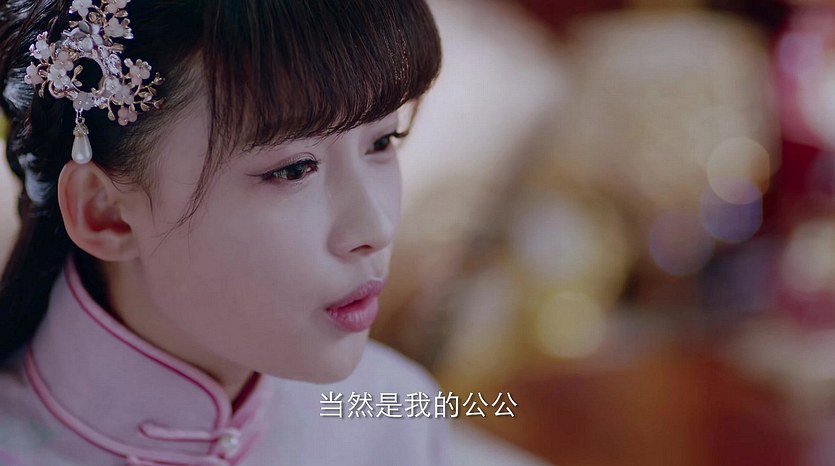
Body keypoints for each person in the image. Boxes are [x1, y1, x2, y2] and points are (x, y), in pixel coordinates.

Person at [0, 0, 446, 464]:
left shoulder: (395, 418)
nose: (376, 228)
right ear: (106, 213)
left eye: (382, 141)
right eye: (294, 169)